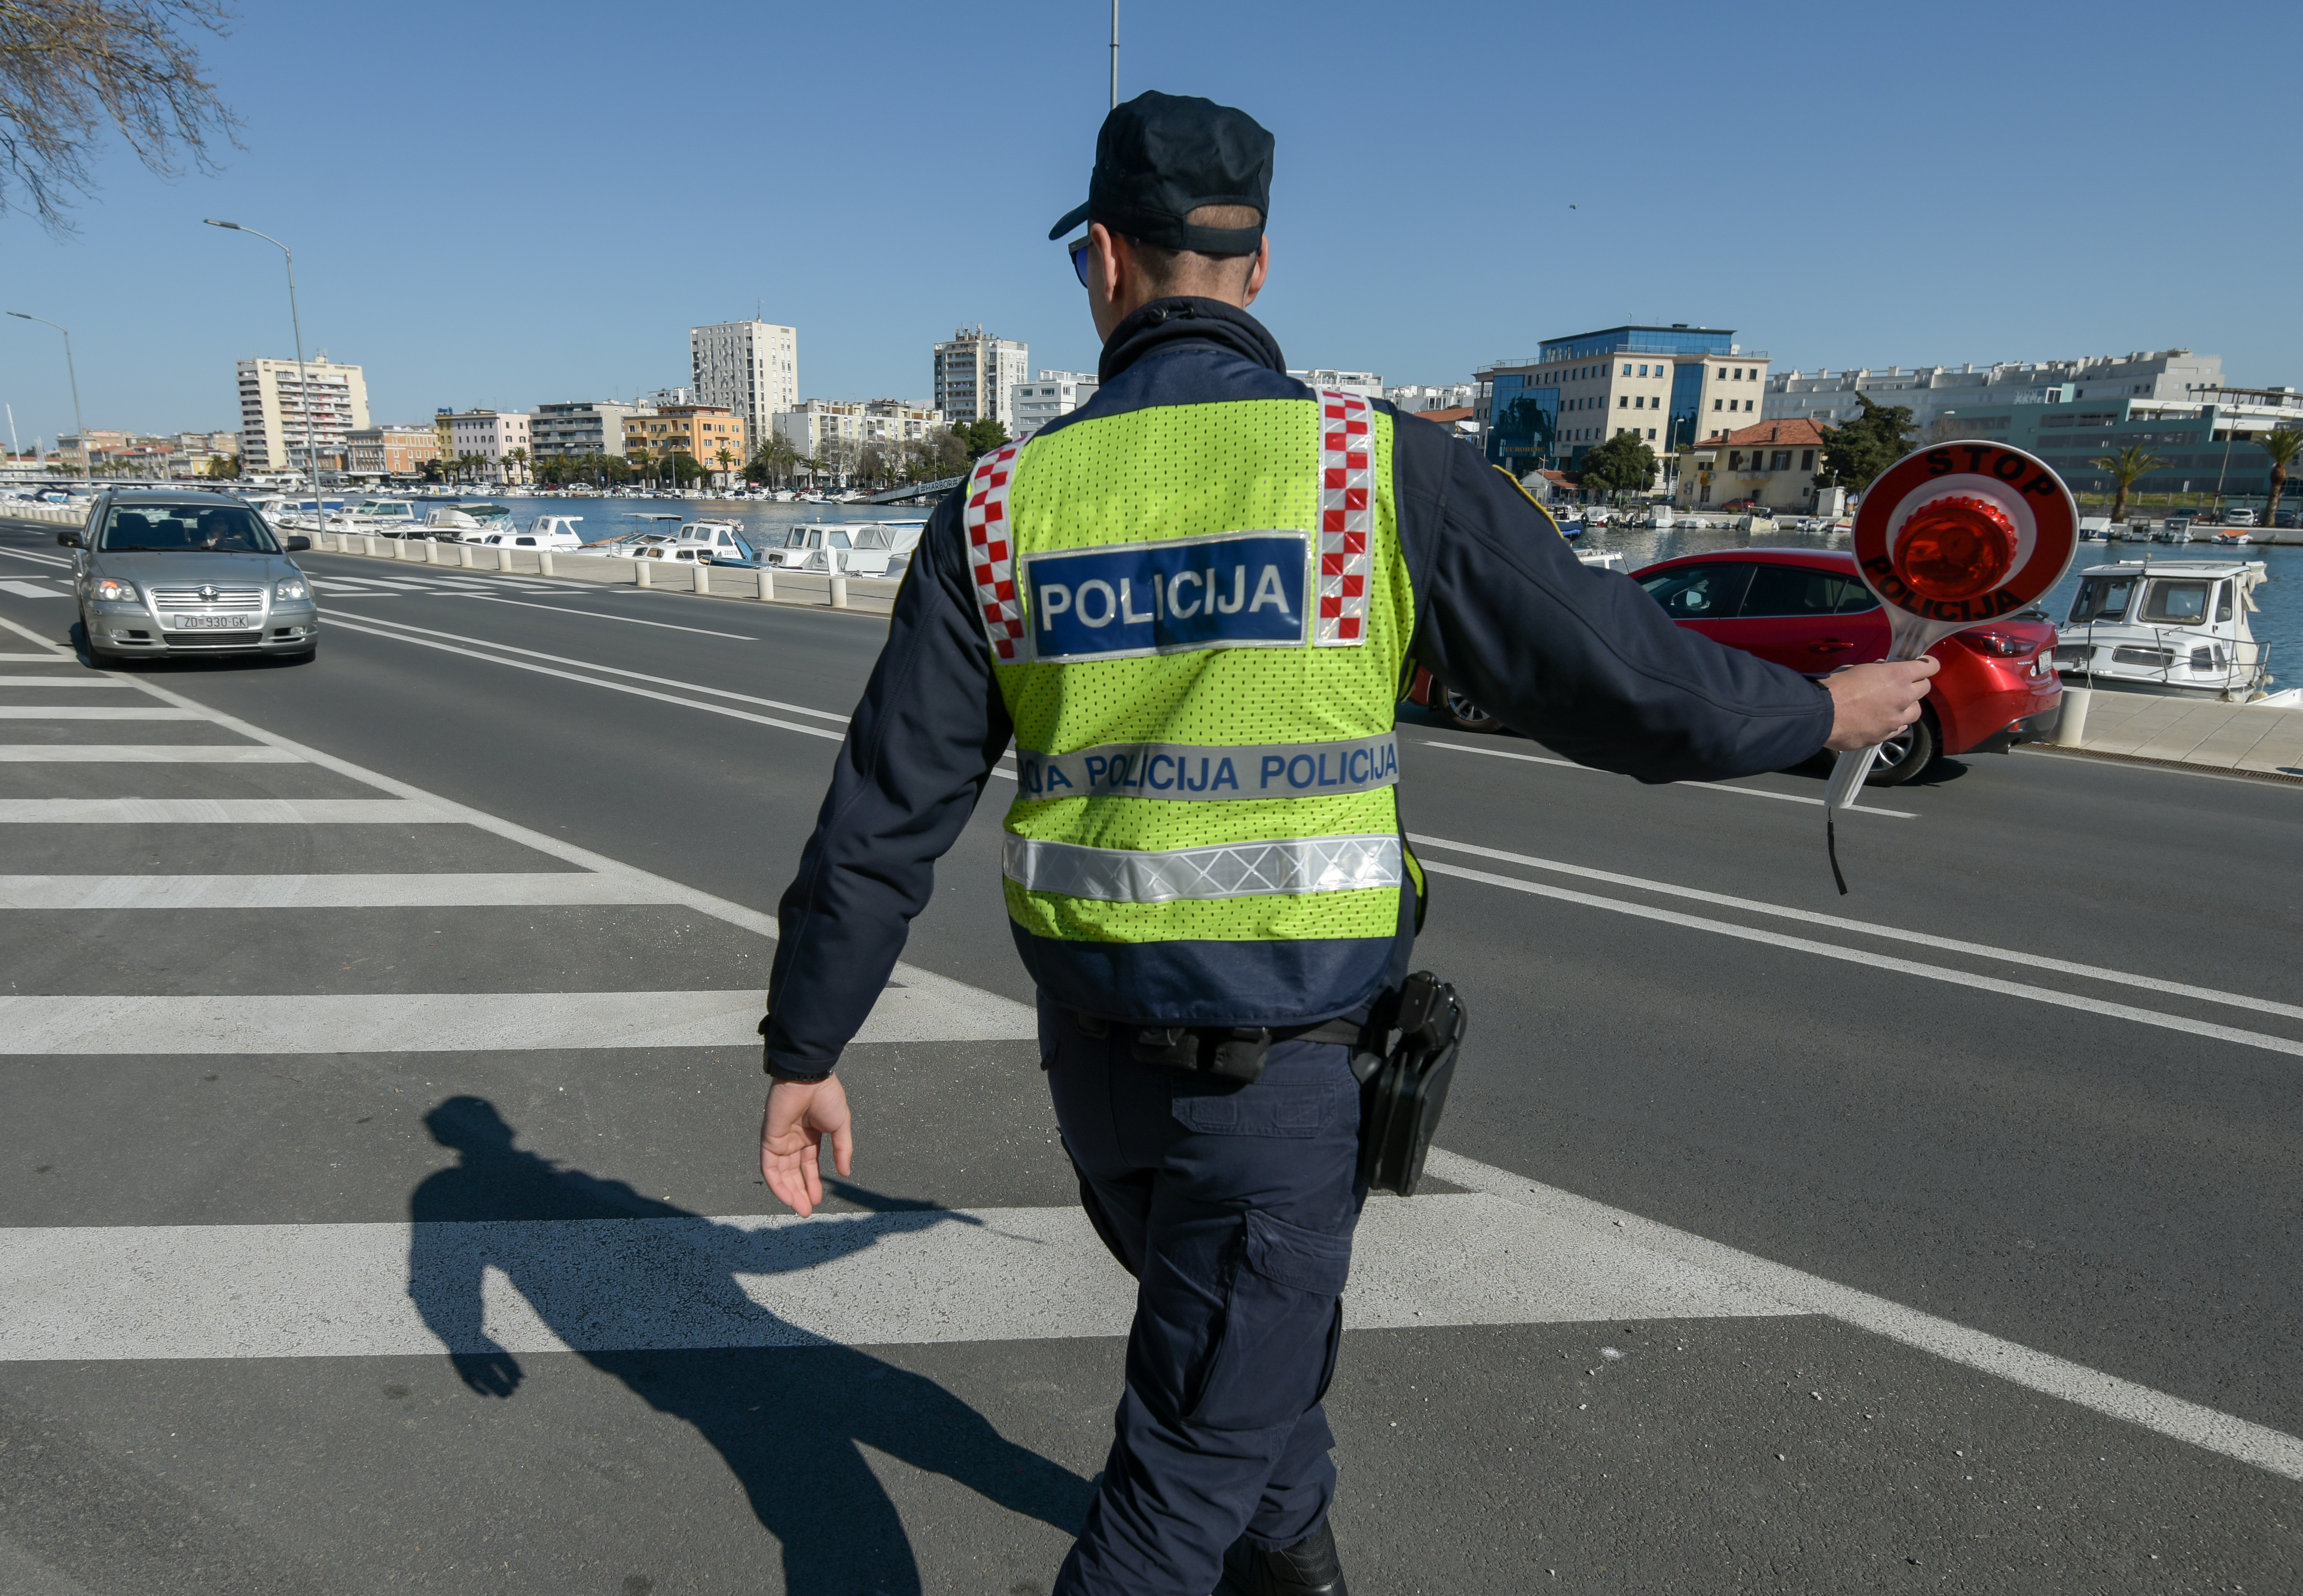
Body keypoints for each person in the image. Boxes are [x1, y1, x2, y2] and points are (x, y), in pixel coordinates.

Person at [757, 90, 1936, 1596]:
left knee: (1243, 1365)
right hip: (1276, 1080)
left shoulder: (1001, 504)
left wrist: (808, 1045)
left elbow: (882, 807)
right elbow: (1617, 681)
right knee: (1181, 1471)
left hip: (1096, 1076)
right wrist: (1815, 710)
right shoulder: (1370, 467)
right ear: (1256, 266)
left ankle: (1296, 1569)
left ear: (1102, 260)